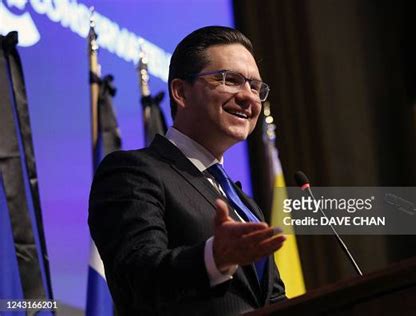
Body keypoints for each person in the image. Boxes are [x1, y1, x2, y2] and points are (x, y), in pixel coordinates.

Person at [88, 26, 286, 315]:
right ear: (181, 92)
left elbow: (274, 300)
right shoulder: (133, 172)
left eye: (256, 87)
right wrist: (213, 258)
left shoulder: (245, 203)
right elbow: (136, 278)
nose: (249, 97)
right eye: (230, 80)